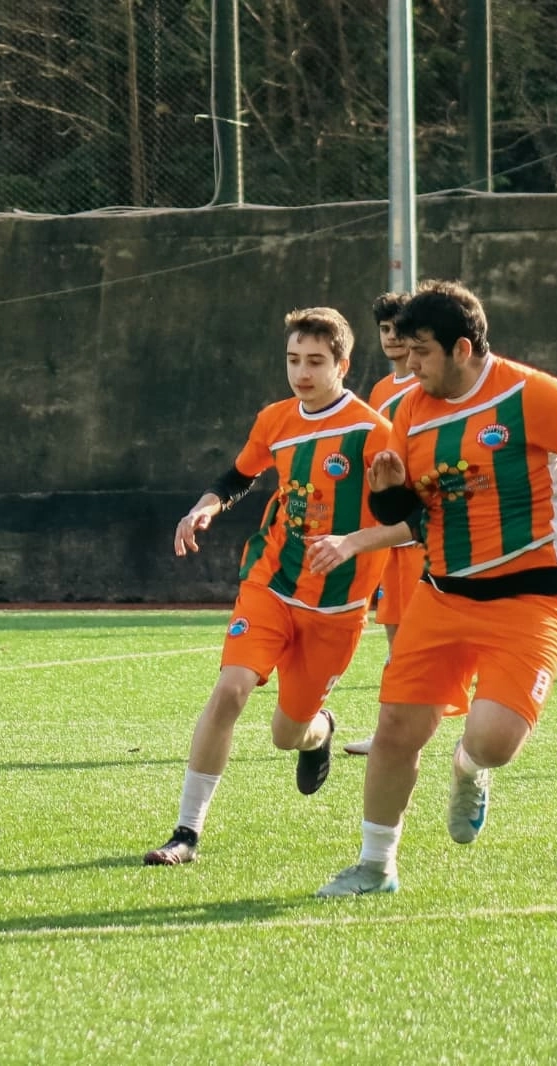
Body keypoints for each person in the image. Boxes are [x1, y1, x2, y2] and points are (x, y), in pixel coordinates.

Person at [315, 280, 557, 897]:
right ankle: (375, 866)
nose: (410, 365)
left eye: (421, 352)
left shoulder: (531, 395)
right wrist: (387, 490)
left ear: (463, 348)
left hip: (532, 601)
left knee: (495, 742)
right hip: (442, 594)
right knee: (396, 728)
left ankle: (470, 767)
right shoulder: (410, 411)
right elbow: (407, 514)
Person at [143, 307, 411, 866]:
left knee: (287, 734)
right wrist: (205, 507)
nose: (301, 373)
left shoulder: (373, 433)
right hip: (270, 581)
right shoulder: (275, 419)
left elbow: (411, 522)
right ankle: (186, 833)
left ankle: (320, 730)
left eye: (315, 361)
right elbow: (239, 476)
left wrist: (351, 542)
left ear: (342, 365)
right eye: (293, 360)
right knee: (230, 690)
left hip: (336, 605)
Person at [344, 291, 431, 758]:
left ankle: (468, 726)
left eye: (400, 327)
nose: (393, 337)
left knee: (430, 637)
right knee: (395, 632)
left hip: (420, 531)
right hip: (391, 534)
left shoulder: (427, 385)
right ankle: (391, 730)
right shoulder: (379, 391)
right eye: (384, 329)